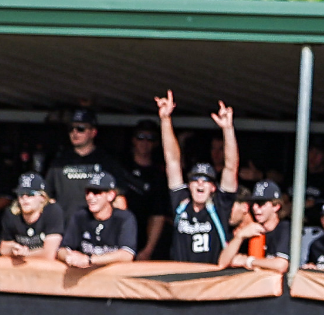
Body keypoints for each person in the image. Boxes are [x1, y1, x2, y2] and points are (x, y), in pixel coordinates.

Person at [156, 92, 239, 264]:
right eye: (195, 180)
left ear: (213, 187)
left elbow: (231, 167)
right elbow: (172, 161)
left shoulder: (220, 205)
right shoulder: (181, 202)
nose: (200, 183)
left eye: (206, 180)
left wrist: (228, 129)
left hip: (210, 280)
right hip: (180, 278)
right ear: (189, 185)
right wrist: (165, 119)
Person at [48, 108, 134, 219]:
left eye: (81, 129)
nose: (75, 132)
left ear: (93, 132)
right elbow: (47, 197)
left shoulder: (107, 162)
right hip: (66, 227)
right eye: (71, 128)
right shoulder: (59, 162)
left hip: (95, 227)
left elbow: (119, 198)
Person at [59, 171, 138, 267]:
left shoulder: (124, 218)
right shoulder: (80, 216)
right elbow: (62, 250)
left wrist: (90, 259)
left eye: (96, 192)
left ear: (110, 195)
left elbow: (127, 255)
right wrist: (70, 257)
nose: (90, 197)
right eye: (88, 192)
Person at [220, 180, 292, 272]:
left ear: (276, 206)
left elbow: (281, 265)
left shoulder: (284, 228)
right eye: (253, 203)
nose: (255, 207)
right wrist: (240, 236)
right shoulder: (252, 230)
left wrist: (248, 261)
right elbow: (223, 263)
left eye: (261, 204)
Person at [126, 119, 171, 258]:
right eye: (140, 137)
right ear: (133, 140)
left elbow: (159, 215)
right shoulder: (121, 167)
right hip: (122, 236)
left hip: (146, 238)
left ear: (156, 143)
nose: (145, 142)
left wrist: (147, 250)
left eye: (150, 138)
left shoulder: (159, 174)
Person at [0, 173, 63, 259]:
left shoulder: (52, 211)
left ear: (42, 197)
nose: (24, 198)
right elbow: (3, 249)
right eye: (21, 194)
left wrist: (27, 254)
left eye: (30, 194)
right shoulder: (11, 213)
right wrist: (13, 250)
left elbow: (50, 253)